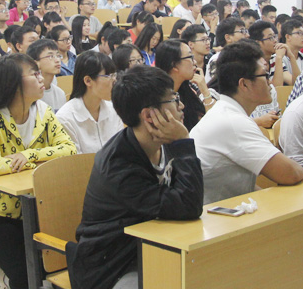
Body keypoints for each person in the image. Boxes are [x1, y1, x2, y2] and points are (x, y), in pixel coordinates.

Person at [68, 65, 203, 289]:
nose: (181, 106)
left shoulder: (163, 141)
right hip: (112, 266)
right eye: (173, 99)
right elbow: (189, 205)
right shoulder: (118, 166)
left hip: (151, 247)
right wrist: (184, 144)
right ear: (150, 115)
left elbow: (188, 200)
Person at [0, 53, 75, 289]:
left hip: (34, 208)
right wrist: (40, 161)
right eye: (34, 73)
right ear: (13, 83)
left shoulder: (43, 111)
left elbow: (69, 149)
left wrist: (27, 156)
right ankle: (7, 278)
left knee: (59, 262)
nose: (41, 78)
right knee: (26, 273)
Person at [190, 40, 303, 204]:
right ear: (244, 84)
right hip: (210, 222)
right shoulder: (231, 122)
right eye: (264, 75)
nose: (270, 83)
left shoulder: (228, 112)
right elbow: (292, 173)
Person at [57, 51, 123, 154]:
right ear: (88, 81)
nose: (114, 81)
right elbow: (74, 163)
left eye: (114, 75)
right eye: (108, 76)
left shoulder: (114, 110)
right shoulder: (65, 118)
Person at [155, 39, 215, 131]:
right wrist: (205, 92)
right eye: (190, 57)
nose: (194, 62)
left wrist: (205, 90)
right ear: (174, 65)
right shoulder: (161, 100)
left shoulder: (187, 89)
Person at [248, 21, 295, 86]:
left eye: (274, 36)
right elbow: (275, 90)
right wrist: (279, 58)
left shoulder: (274, 59)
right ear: (258, 43)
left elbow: (295, 83)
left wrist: (291, 57)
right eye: (270, 38)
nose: (275, 40)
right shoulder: (255, 63)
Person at [27, 39, 67, 112]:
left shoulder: (60, 93)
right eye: (50, 56)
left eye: (58, 55)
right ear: (36, 63)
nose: (57, 60)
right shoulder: (30, 95)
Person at [205, 17, 247, 83]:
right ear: (228, 38)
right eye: (242, 31)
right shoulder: (217, 60)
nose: (247, 35)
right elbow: (219, 88)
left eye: (245, 31)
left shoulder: (244, 57)